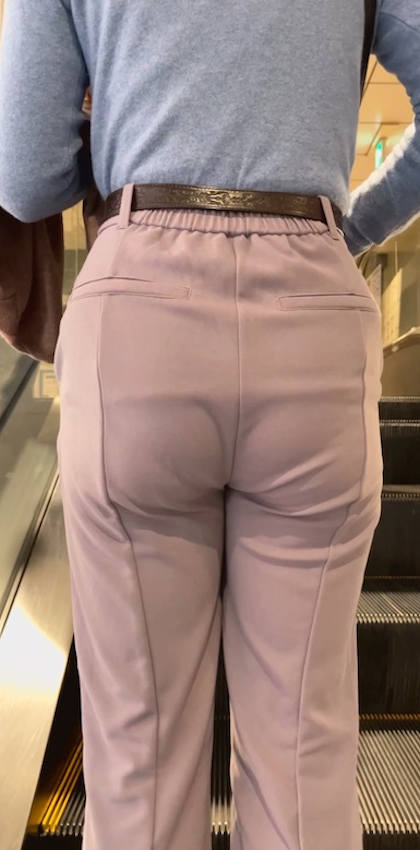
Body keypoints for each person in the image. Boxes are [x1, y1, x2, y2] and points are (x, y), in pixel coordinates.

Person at [0, 3, 419, 850]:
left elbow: (24, 174)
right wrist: (352, 226)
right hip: (312, 308)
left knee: (138, 754)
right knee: (303, 751)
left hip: (140, 310)